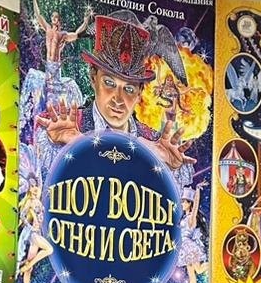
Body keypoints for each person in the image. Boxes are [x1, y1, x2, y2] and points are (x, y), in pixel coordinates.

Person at [36, 14, 190, 173]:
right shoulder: (69, 126)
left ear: (139, 93)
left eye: (129, 89)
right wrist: (54, 143)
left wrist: (171, 168)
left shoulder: (153, 141)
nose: (118, 99)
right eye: (109, 83)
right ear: (93, 78)